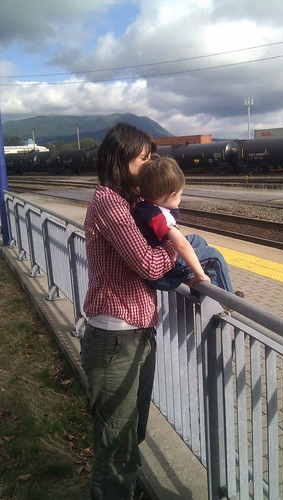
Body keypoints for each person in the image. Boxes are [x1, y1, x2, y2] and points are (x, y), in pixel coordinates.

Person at [80, 123, 193, 499]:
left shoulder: (132, 203)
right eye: (144, 158)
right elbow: (147, 263)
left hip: (138, 335)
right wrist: (176, 243)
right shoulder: (109, 203)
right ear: (120, 159)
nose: (150, 165)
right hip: (115, 339)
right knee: (117, 448)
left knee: (131, 434)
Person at [133, 154, 239, 295]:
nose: (180, 200)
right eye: (180, 195)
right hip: (166, 274)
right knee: (214, 256)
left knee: (197, 239)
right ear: (170, 195)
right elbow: (181, 244)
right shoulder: (160, 215)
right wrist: (200, 274)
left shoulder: (144, 206)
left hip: (161, 268)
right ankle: (227, 300)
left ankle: (201, 289)